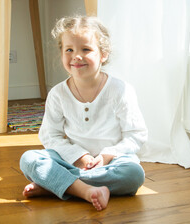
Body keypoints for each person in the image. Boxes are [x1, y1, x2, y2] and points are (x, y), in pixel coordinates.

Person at [19, 16, 148, 211]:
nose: (76, 56)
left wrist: (106, 155)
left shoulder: (121, 90)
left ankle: (60, 185)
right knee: (28, 159)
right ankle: (85, 190)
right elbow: (50, 135)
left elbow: (135, 135)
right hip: (70, 161)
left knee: (134, 174)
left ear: (103, 54)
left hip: (111, 163)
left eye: (86, 49)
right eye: (69, 50)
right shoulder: (58, 94)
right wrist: (80, 157)